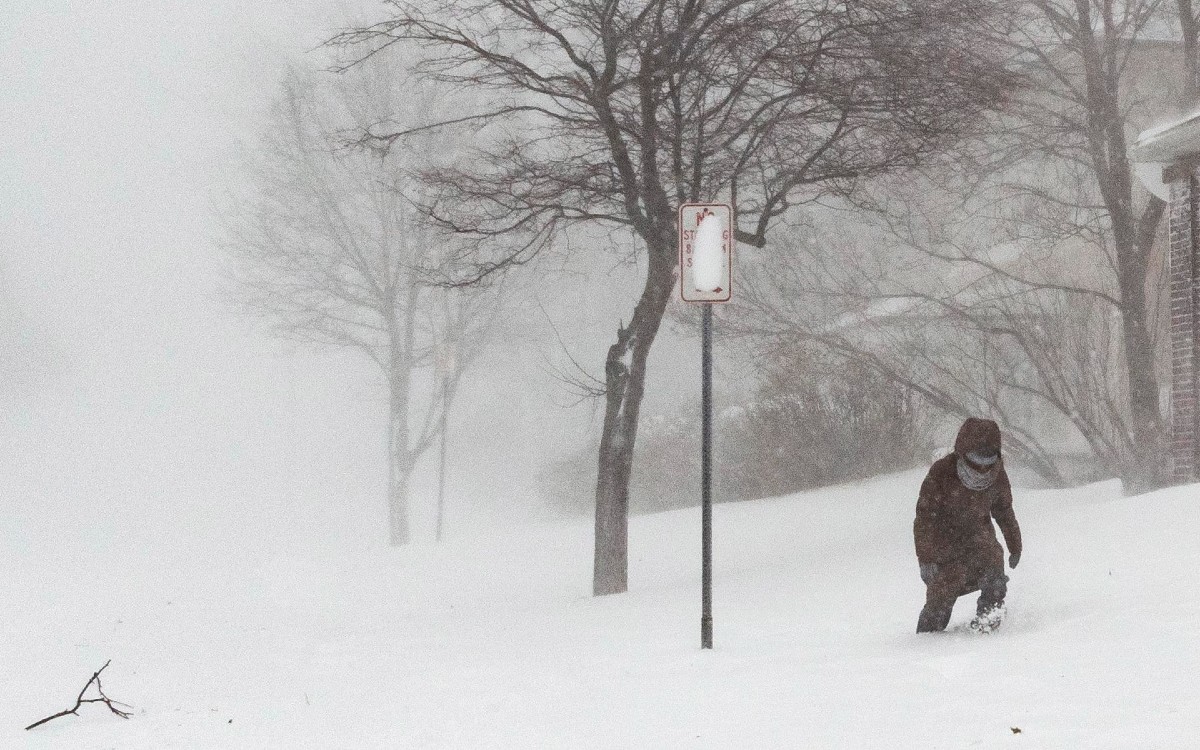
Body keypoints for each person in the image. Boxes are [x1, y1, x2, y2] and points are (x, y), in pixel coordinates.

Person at [913, 417, 1022, 633]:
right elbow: (925, 518)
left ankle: (988, 626)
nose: (982, 467)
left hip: (981, 541)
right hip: (945, 547)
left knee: (995, 581)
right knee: (940, 601)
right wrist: (926, 558)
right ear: (962, 453)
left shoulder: (997, 474)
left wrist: (1014, 545)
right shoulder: (942, 472)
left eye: (988, 460)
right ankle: (926, 643)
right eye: (975, 459)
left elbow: (1004, 511)